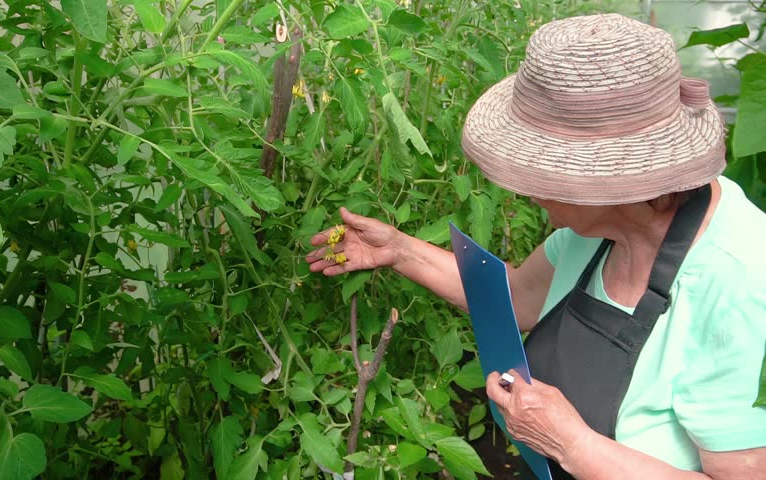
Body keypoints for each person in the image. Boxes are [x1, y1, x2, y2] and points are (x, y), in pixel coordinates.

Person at [307, 13, 766, 479]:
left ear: (601, 181)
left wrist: (571, 444)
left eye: (538, 172)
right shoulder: (597, 230)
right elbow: (518, 298)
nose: (522, 190)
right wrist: (400, 251)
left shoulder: (741, 281)